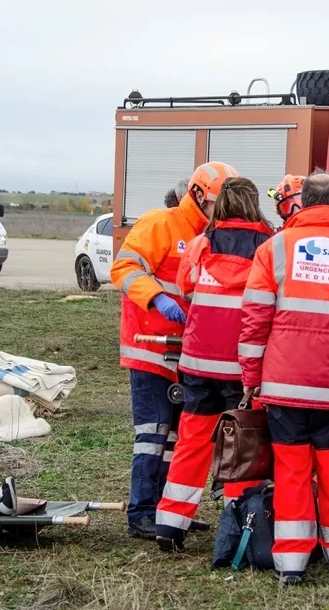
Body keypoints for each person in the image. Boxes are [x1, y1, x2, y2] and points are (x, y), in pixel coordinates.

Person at [239, 170, 329, 584]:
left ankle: (291, 562)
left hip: (283, 385)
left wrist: (251, 376)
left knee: (291, 472)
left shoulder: (274, 249)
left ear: (301, 202)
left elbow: (254, 320)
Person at [111, 161, 240, 540]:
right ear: (198, 195)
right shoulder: (160, 223)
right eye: (218, 202)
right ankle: (141, 513)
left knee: (177, 438)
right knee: (153, 434)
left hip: (188, 352)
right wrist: (157, 299)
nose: (223, 209)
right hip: (150, 347)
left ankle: (168, 512)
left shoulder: (214, 235)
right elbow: (124, 268)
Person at [155, 177, 275, 552]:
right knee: (242, 448)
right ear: (254, 204)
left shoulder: (201, 244)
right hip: (243, 367)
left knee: (191, 442)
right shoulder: (269, 247)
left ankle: (170, 525)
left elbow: (186, 288)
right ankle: (238, 528)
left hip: (198, 362)